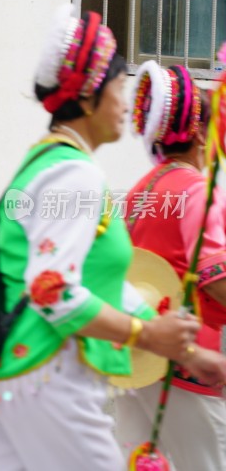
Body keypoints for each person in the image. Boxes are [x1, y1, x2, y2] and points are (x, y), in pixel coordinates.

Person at [0, 4, 226, 470]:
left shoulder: (45, 163)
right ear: (90, 97)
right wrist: (149, 332)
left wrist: (185, 350)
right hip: (52, 379)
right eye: (118, 86)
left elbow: (100, 283)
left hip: (19, 376)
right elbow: (53, 290)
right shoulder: (75, 173)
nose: (127, 105)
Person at [115, 61, 226, 468]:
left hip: (139, 361)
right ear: (198, 131)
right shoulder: (198, 190)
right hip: (189, 364)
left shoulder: (141, 193)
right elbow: (216, 277)